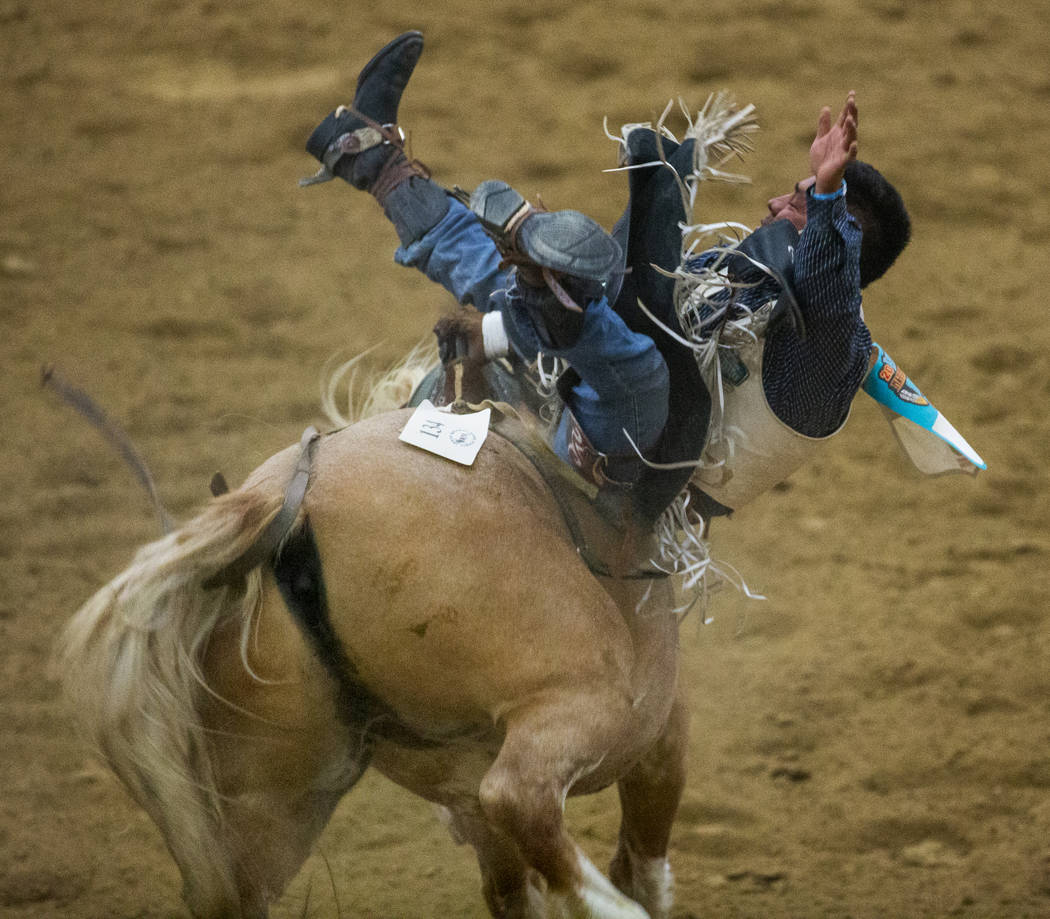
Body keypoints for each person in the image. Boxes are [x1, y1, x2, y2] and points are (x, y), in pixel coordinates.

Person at [301, 32, 914, 527]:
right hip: (583, 399)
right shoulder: (743, 280)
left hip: (633, 477)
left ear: (842, 238)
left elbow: (830, 277)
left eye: (801, 202)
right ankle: (374, 159)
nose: (779, 201)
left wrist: (829, 195)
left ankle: (550, 302)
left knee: (644, 367)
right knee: (509, 272)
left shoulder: (833, 347)